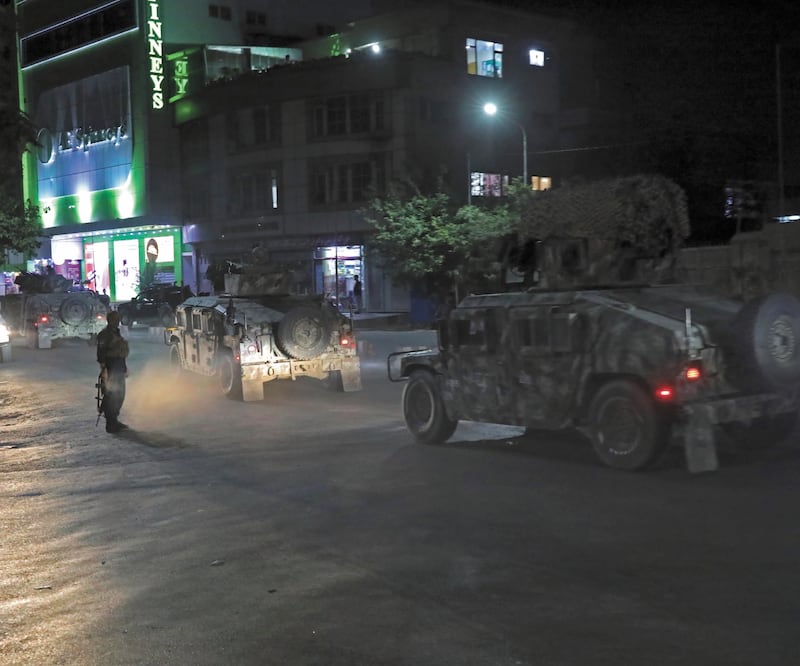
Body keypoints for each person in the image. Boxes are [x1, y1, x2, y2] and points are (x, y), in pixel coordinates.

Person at [96, 310, 130, 433]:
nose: (117, 321)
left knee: (120, 395)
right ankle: (110, 424)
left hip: (119, 366)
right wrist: (104, 370)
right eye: (115, 319)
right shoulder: (105, 334)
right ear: (110, 320)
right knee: (111, 396)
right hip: (111, 367)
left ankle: (114, 420)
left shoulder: (116, 332)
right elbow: (101, 353)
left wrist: (125, 368)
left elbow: (121, 352)